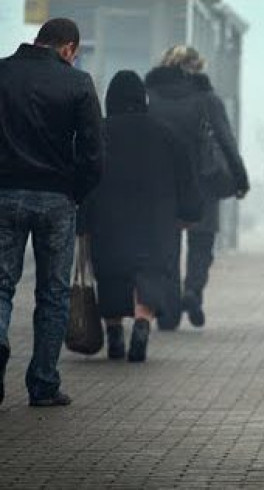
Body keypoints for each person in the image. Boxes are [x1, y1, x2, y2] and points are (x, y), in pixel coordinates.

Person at [0, 18, 103, 406]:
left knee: (1, 284)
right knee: (54, 294)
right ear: (68, 49)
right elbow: (94, 151)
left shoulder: (2, 72)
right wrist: (76, 190)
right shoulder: (77, 83)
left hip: (4, 193)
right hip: (57, 198)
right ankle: (43, 384)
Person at [83, 71, 203, 362]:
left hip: (107, 219)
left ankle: (113, 333)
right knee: (149, 272)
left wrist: (81, 221)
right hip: (156, 220)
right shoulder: (166, 133)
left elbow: (83, 178)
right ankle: (141, 322)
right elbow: (186, 179)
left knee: (111, 273)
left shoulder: (98, 132)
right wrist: (189, 213)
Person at [145, 46, 249, 329]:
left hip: (163, 183)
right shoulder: (207, 98)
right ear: (197, 67)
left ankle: (168, 312)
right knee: (201, 243)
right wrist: (240, 179)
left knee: (167, 246)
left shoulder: (150, 96)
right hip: (204, 182)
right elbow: (226, 141)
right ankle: (192, 291)